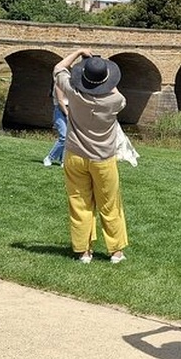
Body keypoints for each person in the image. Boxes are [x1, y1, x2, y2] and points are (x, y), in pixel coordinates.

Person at [53, 48, 128, 264]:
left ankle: (84, 251)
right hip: (103, 158)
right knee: (110, 204)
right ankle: (116, 252)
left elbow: (58, 69)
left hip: (75, 154)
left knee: (80, 203)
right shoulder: (116, 101)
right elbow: (112, 88)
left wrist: (79, 53)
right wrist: (101, 70)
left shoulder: (74, 94)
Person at [43, 80, 68, 167]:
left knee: (68, 137)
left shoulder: (74, 83)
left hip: (71, 110)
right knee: (64, 136)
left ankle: (63, 161)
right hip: (60, 110)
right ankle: (49, 158)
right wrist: (67, 113)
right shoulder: (59, 84)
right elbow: (60, 101)